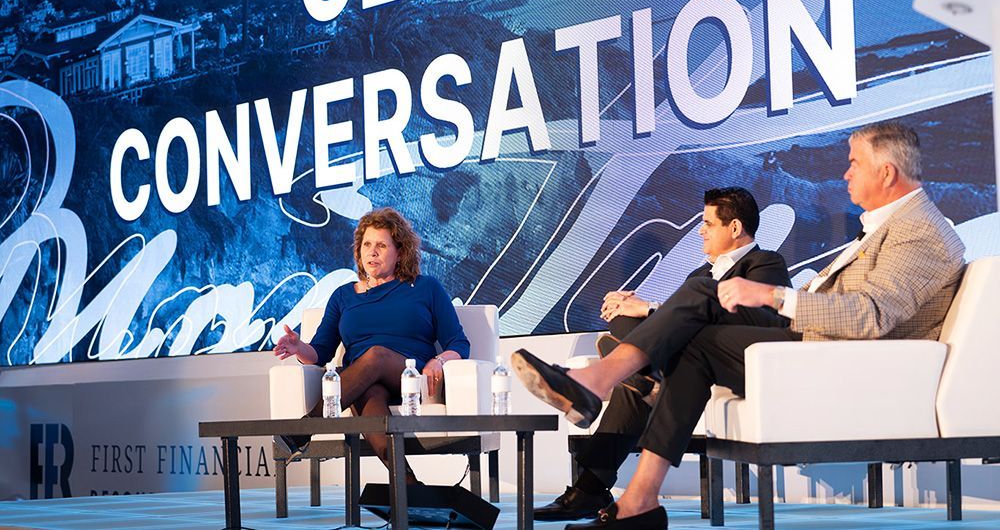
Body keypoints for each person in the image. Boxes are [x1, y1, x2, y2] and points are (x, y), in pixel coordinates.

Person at [513, 122, 966, 529]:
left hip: (846, 365)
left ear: (886, 173)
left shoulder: (919, 231)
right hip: (822, 351)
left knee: (707, 298)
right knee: (697, 334)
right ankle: (639, 500)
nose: (846, 174)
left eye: (854, 164)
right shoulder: (893, 228)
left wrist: (773, 295)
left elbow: (871, 315)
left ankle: (600, 385)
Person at [534, 187, 791, 521]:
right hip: (689, 358)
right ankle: (595, 477)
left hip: (736, 358)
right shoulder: (698, 276)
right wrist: (636, 308)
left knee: (641, 366)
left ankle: (634, 384)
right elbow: (675, 324)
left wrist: (652, 308)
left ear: (735, 228)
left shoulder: (765, 262)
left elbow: (762, 319)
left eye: (708, 223)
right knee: (631, 341)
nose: (700, 231)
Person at [273, 207, 470, 483]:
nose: (372, 252)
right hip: (360, 384)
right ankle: (410, 487)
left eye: (381, 245)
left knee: (374, 356)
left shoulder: (426, 288)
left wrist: (440, 361)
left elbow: (458, 342)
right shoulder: (343, 296)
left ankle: (306, 427)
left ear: (400, 252)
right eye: (367, 244)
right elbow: (321, 352)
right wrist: (299, 347)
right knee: (369, 388)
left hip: (411, 380)